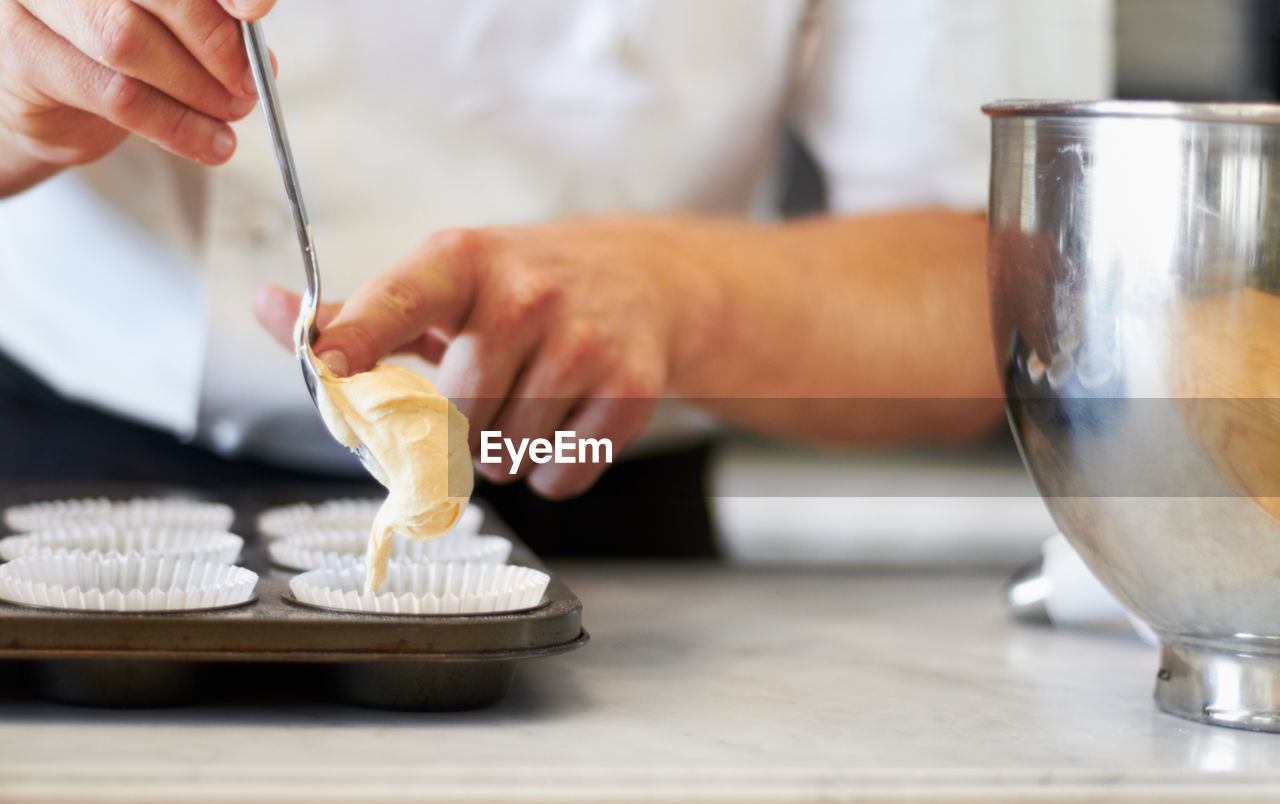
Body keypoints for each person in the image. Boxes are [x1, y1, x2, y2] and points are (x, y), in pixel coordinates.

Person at [0, 1, 1111, 548]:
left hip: (587, 493)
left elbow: (1014, 305)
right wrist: (22, 102)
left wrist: (676, 292)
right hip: (64, 465)